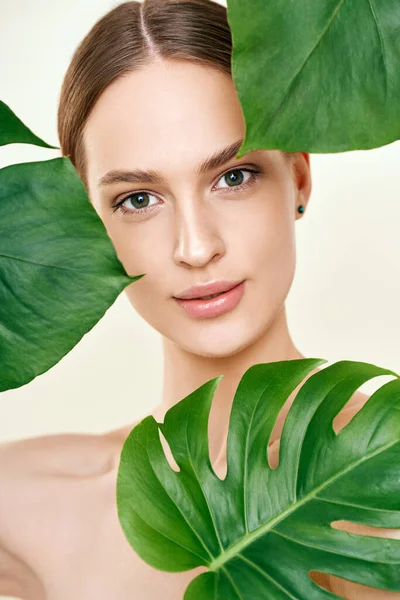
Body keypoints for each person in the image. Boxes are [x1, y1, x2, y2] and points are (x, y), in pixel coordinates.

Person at [1, 0, 396, 598]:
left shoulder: (385, 482)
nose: (195, 246)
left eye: (233, 177)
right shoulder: (19, 511)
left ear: (300, 179)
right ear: (87, 221)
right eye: (138, 199)